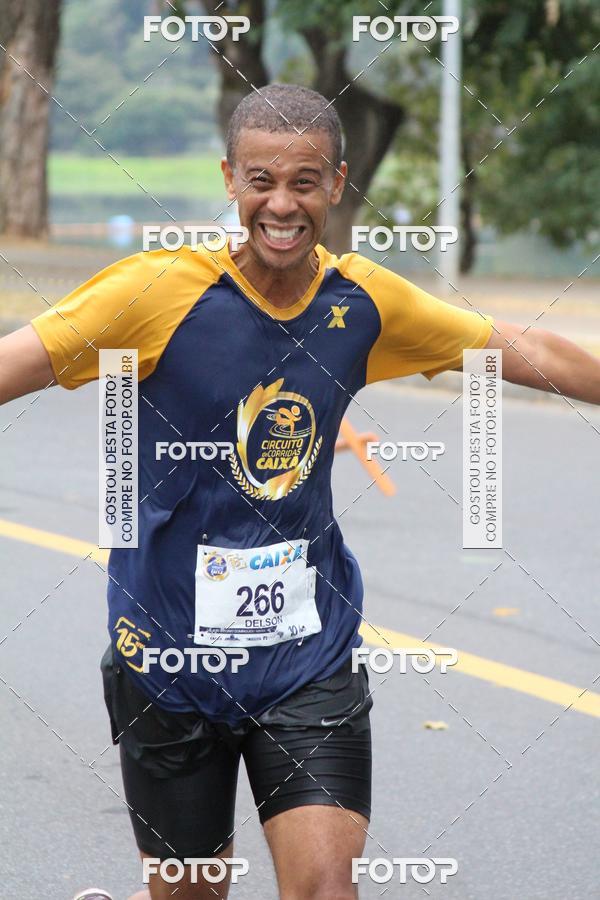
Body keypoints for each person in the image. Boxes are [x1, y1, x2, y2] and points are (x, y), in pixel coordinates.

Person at [2, 84, 600, 900]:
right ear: (229, 180)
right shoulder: (150, 294)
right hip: (168, 660)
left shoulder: (363, 302)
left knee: (325, 889)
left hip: (305, 658)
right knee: (191, 892)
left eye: (305, 182)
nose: (281, 205)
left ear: (337, 183)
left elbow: (523, 351)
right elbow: (14, 365)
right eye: (261, 182)